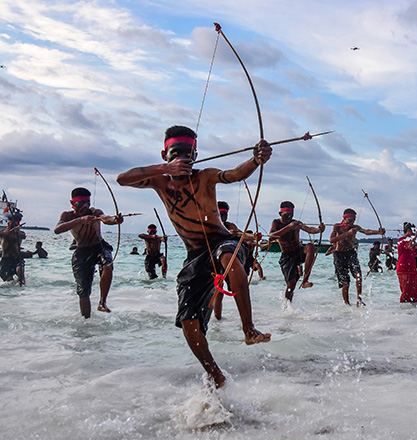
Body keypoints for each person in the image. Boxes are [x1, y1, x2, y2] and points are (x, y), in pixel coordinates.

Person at [116, 125, 271, 389]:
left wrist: (256, 159)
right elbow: (122, 179)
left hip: (222, 242)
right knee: (189, 322)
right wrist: (165, 169)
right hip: (193, 255)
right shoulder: (159, 181)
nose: (183, 158)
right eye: (176, 153)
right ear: (165, 154)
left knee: (230, 261)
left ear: (196, 155)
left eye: (188, 154)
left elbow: (234, 174)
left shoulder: (205, 176)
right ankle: (216, 376)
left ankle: (248, 329)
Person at [54, 187, 123, 317]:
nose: (86, 206)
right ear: (73, 203)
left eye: (88, 203)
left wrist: (115, 220)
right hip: (82, 251)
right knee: (83, 290)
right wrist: (80, 220)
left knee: (108, 264)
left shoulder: (95, 212)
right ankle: (86, 321)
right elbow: (57, 230)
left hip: (99, 247)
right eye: (82, 203)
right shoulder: (67, 216)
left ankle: (102, 303)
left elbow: (105, 218)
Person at [269, 201, 325, 302]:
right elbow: (271, 237)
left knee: (310, 246)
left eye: (292, 214)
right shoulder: (276, 223)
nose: (290, 216)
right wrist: (289, 227)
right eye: (287, 214)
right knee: (291, 285)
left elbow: (309, 229)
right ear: (280, 213)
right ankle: (287, 306)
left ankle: (305, 280)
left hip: (298, 252)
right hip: (287, 256)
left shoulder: (296, 222)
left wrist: (318, 230)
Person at [329, 208, 385, 306]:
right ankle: (346, 303)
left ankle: (359, 300)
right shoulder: (337, 227)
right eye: (349, 220)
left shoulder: (355, 227)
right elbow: (332, 240)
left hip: (351, 252)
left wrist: (378, 232)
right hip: (339, 254)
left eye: (353, 220)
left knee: (358, 275)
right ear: (344, 218)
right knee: (345, 281)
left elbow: (366, 231)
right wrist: (347, 233)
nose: (351, 223)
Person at [396, 222, 417, 303]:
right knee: (406, 291)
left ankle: (412, 311)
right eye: (413, 230)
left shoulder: (410, 241)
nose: (414, 232)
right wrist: (414, 238)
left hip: (412, 269)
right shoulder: (401, 240)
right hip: (403, 269)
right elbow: (408, 246)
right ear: (408, 230)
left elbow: (414, 253)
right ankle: (403, 312)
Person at [0, 213, 26, 285]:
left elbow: (23, 236)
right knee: (9, 281)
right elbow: (2, 234)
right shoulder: (3, 233)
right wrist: (7, 232)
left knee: (20, 271)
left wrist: (17, 232)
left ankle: (22, 287)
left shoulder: (20, 233)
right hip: (6, 259)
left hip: (17, 258)